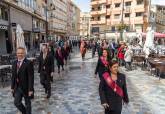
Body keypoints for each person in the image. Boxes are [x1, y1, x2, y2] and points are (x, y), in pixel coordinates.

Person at [11, 47, 34, 114]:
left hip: (26, 87)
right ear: (16, 54)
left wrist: (30, 89)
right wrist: (12, 87)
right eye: (18, 53)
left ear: (24, 53)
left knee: (28, 104)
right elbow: (13, 76)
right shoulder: (14, 63)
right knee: (16, 102)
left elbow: (31, 77)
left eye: (21, 53)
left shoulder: (28, 63)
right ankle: (25, 112)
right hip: (17, 87)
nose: (20, 54)